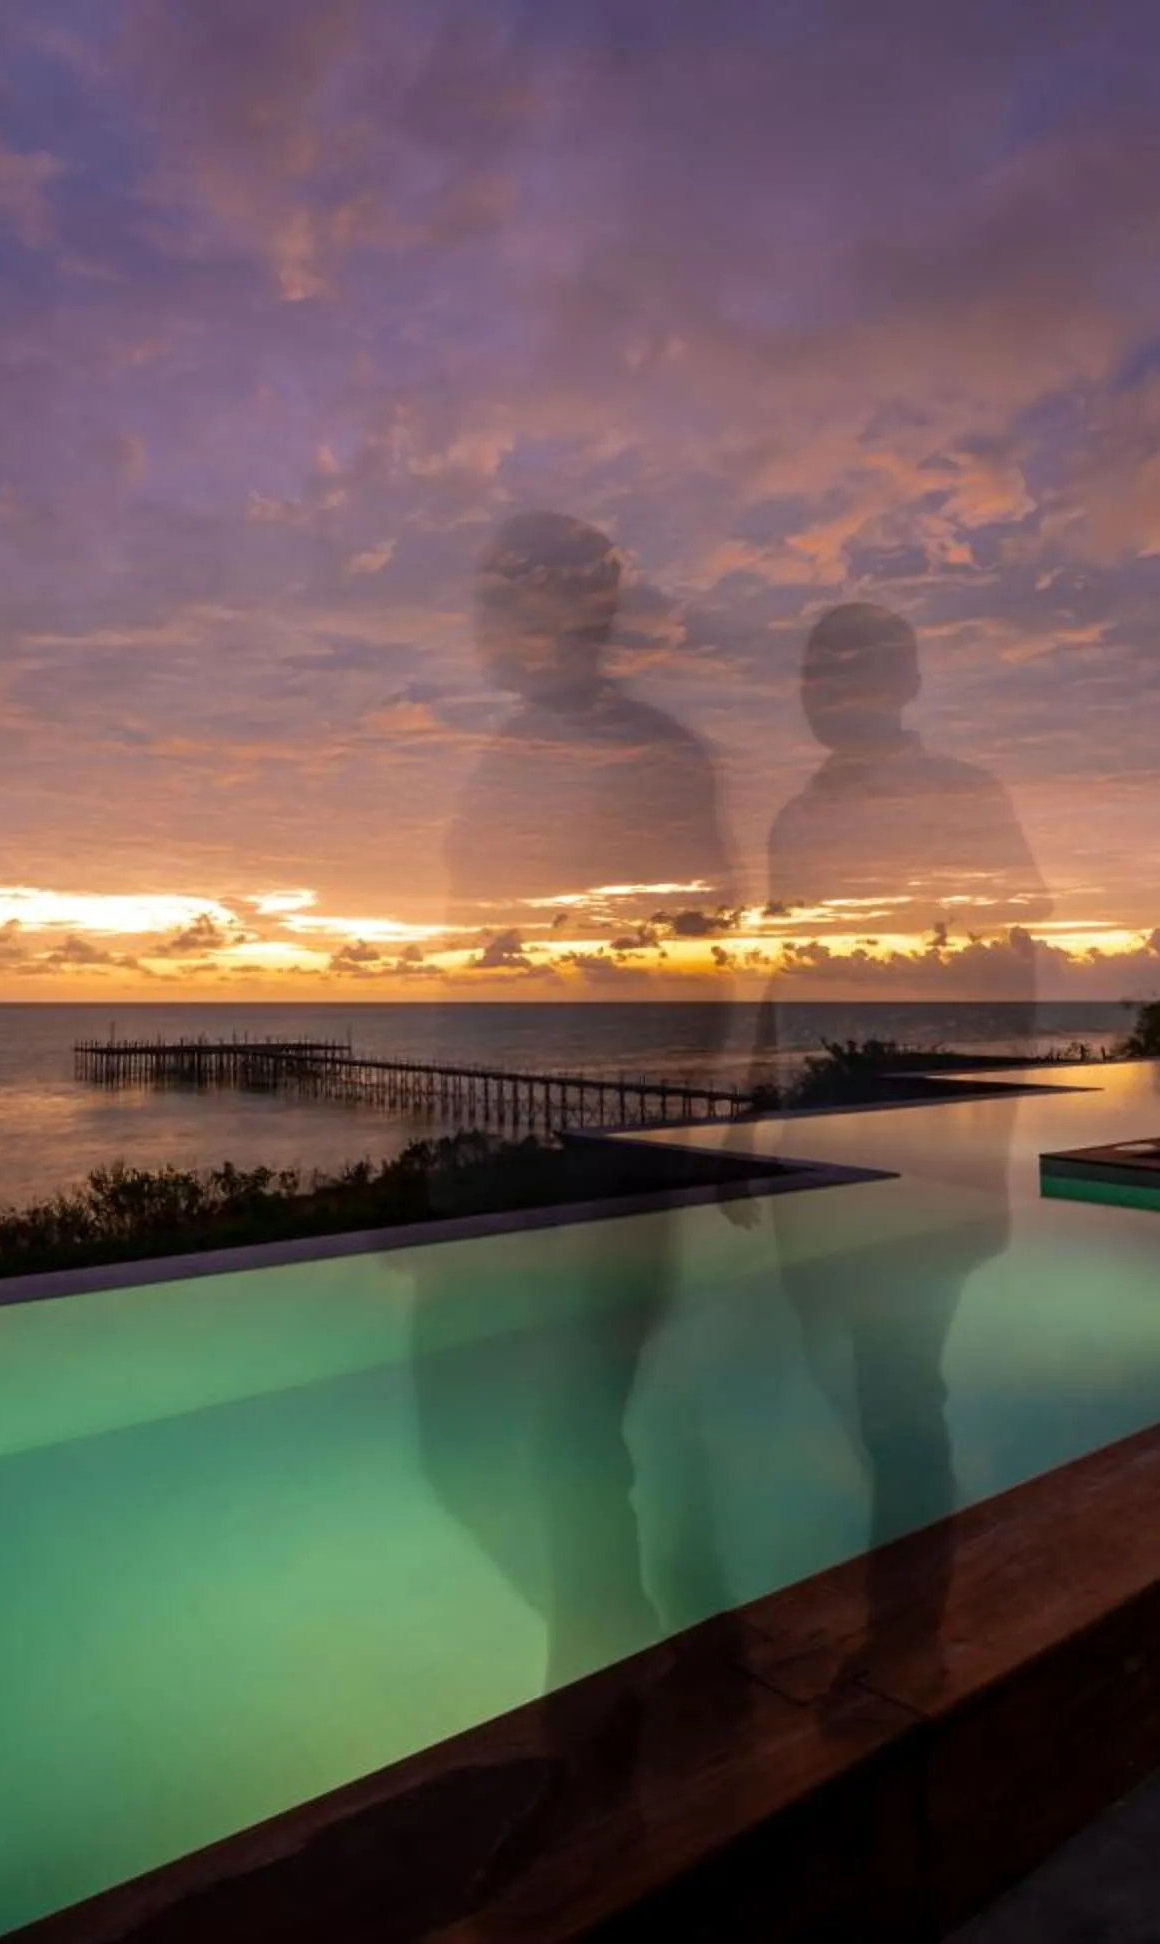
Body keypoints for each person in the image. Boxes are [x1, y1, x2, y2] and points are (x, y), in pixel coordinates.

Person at [407, 510, 743, 1773]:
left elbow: (694, 946)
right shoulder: (506, 757)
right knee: (502, 1433)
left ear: (581, 610)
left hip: (596, 1137)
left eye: (517, 596)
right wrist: (451, 1147)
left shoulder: (652, 755)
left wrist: (662, 1134)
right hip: (503, 1134)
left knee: (559, 1432)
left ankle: (605, 1736)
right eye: (494, 597)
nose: (495, 623)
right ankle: (622, 1677)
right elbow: (480, 957)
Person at [756, 600, 1046, 1675]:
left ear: (905, 681)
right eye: (813, 668)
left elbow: (1008, 964)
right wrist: (761, 1107)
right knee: (844, 1370)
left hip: (919, 1151)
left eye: (851, 666)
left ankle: (908, 1636)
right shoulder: (794, 815)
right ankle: (895, 1571)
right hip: (815, 1140)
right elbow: (786, 965)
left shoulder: (963, 795)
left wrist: (976, 1148)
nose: (824, 686)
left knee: (896, 1385)